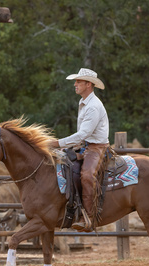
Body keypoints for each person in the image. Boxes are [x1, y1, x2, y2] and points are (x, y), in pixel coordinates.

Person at [50, 68, 109, 231]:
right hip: (85, 146)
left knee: (87, 175)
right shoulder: (84, 102)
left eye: (78, 82)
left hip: (96, 148)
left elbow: (83, 133)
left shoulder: (93, 106)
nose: (75, 84)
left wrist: (57, 143)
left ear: (88, 84)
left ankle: (89, 217)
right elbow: (82, 135)